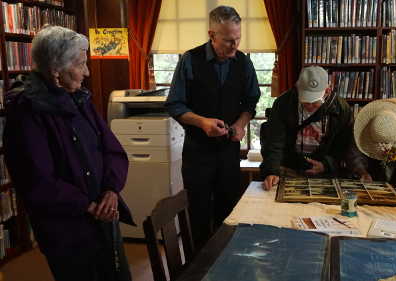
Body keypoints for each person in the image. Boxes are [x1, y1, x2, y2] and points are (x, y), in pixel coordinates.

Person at [3, 26, 134, 281]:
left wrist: (111, 190)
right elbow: (37, 180)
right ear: (55, 72)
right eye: (80, 64)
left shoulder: (79, 97)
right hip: (68, 229)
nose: (86, 72)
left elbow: (112, 149)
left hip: (103, 217)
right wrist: (88, 205)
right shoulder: (27, 112)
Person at [165, 6, 260, 249]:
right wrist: (201, 122)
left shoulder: (244, 63)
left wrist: (240, 124)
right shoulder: (189, 60)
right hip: (197, 153)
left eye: (238, 38)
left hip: (229, 152)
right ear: (212, 34)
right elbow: (174, 104)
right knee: (197, 215)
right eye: (228, 40)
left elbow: (251, 102)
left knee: (228, 213)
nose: (234, 45)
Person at [260, 66, 370, 191]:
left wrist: (326, 165)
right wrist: (272, 171)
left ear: (327, 91)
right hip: (288, 169)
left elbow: (343, 147)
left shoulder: (341, 109)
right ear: (297, 89)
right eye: (305, 101)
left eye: (315, 101)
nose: (310, 106)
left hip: (324, 175)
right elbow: (274, 141)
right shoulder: (283, 103)